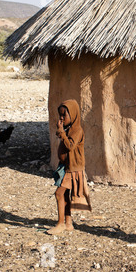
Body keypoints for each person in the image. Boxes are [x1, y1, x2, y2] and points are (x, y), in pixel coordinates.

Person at [47, 99, 92, 235]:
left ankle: (60, 224)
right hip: (66, 167)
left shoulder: (77, 130)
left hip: (72, 169)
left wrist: (61, 133)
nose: (61, 118)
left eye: (64, 115)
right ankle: (68, 223)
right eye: (60, 116)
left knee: (59, 193)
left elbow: (70, 146)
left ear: (73, 115)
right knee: (65, 195)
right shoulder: (69, 129)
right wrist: (62, 131)